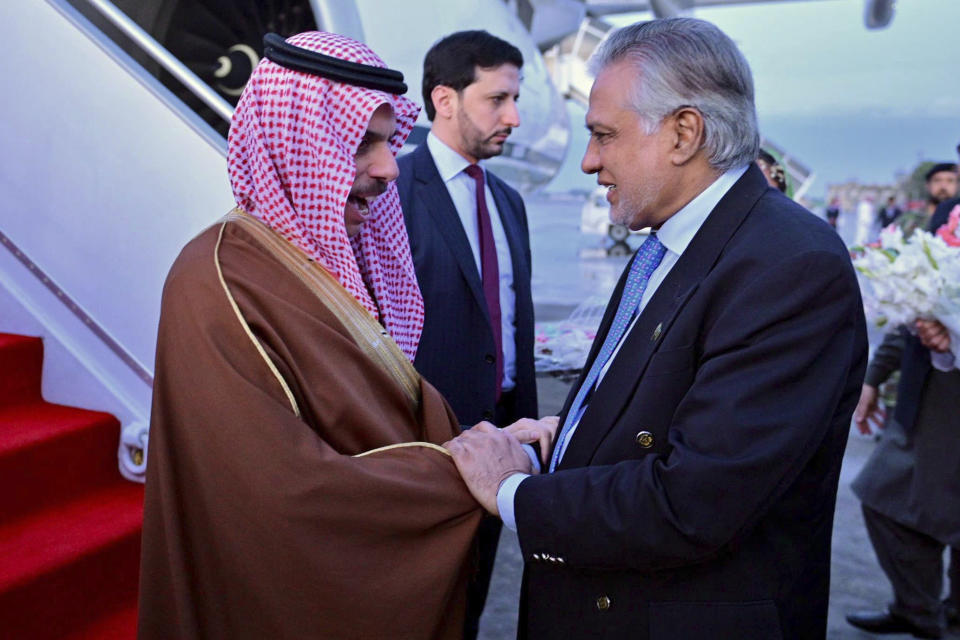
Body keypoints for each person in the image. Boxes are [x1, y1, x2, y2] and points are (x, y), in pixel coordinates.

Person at [444, 18, 867, 640]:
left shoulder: (791, 265)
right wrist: (573, 435)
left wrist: (508, 490)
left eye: (604, 136)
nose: (588, 161)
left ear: (684, 132)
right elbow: (683, 399)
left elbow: (695, 501)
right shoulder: (674, 242)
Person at [136, 31, 550, 639]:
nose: (388, 169)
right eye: (362, 144)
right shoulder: (217, 279)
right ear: (293, 144)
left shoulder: (337, 262)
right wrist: (466, 472)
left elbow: (388, 412)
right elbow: (289, 496)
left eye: (388, 142)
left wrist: (489, 438)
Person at [396, 30, 537, 639]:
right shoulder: (391, 192)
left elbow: (511, 320)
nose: (514, 116)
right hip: (425, 441)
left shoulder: (508, 200)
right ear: (445, 100)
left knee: (473, 595)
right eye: (497, 99)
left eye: (515, 99)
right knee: (416, 600)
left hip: (504, 432)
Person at [846, 187, 960, 640]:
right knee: (884, 496)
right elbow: (919, 300)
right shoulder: (951, 214)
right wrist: (874, 378)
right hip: (926, 391)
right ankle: (918, 608)